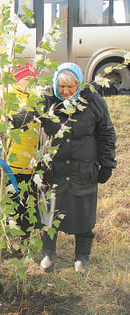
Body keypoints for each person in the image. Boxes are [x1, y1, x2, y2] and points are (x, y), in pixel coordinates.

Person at [39, 62, 116, 275]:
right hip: (54, 170)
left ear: (79, 85)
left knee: (83, 214)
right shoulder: (47, 101)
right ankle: (48, 253)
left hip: (84, 169)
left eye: (70, 87)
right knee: (49, 213)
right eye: (61, 87)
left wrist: (107, 164)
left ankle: (82, 257)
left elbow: (106, 134)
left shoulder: (94, 102)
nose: (65, 92)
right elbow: (28, 114)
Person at [9, 63, 40, 241]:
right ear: (18, 79)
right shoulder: (9, 98)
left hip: (31, 163)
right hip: (12, 163)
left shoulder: (37, 98)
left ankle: (24, 241)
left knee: (27, 206)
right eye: (28, 79)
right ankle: (2, 239)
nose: (31, 83)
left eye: (33, 79)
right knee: (10, 202)